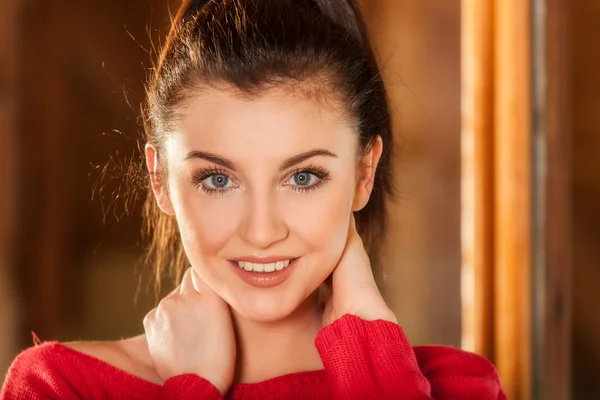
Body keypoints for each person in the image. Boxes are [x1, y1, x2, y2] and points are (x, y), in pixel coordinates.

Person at [1, 0, 507, 399]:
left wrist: (368, 355)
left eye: (303, 177)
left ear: (362, 173)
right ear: (160, 180)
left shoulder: (460, 387)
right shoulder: (60, 386)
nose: (262, 232)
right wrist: (192, 389)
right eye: (218, 179)